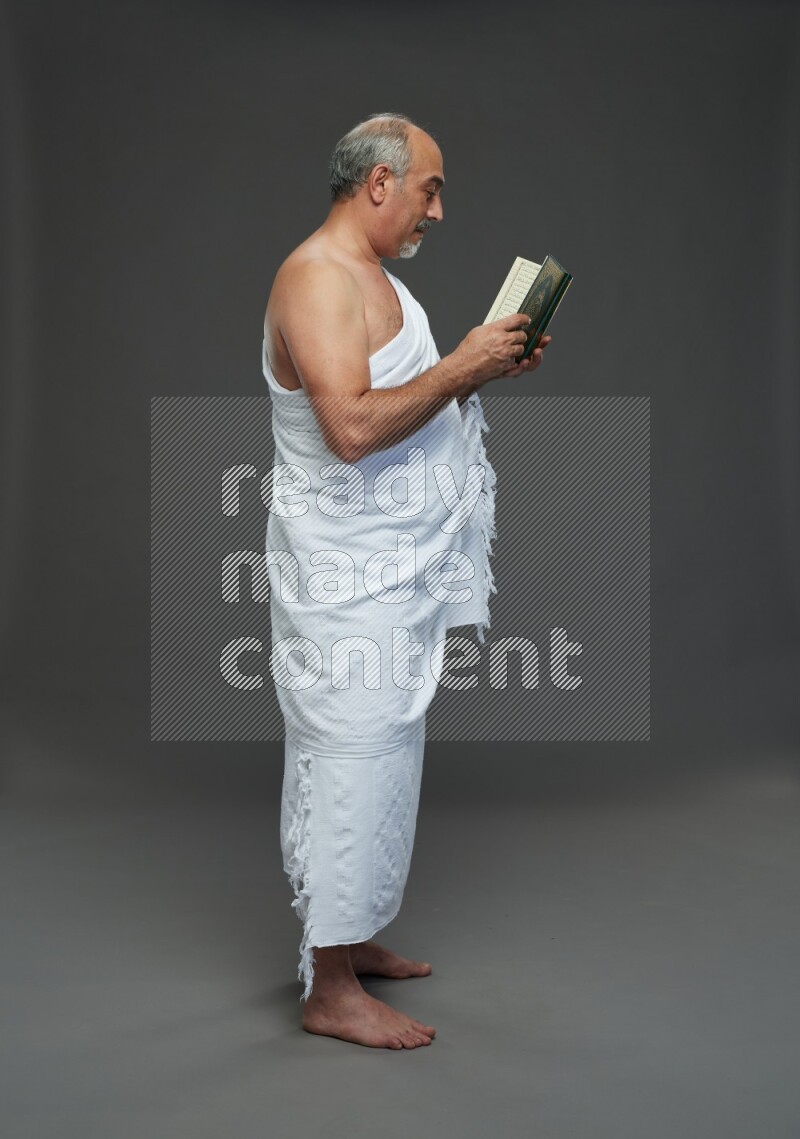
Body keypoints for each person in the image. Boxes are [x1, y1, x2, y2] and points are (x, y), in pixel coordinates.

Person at [262, 112, 551, 1049]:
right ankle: (329, 986)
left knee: (387, 748)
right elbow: (350, 429)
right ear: (379, 182)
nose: (437, 210)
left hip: (397, 569)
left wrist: (479, 369)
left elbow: (404, 405)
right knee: (350, 753)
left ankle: (351, 936)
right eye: (430, 189)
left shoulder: (380, 280)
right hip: (344, 572)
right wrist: (459, 363)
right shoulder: (315, 278)